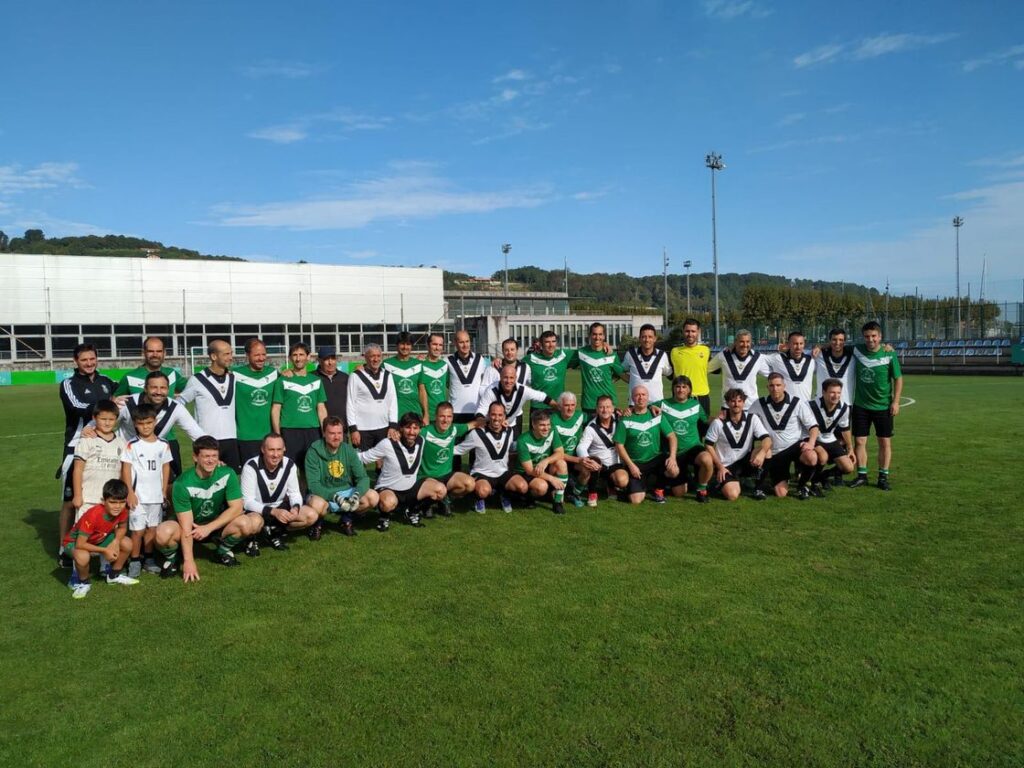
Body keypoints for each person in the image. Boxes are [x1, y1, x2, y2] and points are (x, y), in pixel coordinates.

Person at [154, 436, 261, 581]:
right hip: (190, 528)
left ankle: (221, 552)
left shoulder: (227, 473)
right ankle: (173, 559)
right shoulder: (182, 483)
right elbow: (186, 526)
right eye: (206, 456)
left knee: (247, 523)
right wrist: (189, 561)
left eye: (214, 456)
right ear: (195, 457)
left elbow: (237, 508)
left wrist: (208, 528)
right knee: (163, 533)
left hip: (215, 526)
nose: (211, 460)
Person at [57, 343, 115, 562]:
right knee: (70, 500)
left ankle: (100, 545)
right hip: (76, 444)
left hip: (104, 445)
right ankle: (64, 548)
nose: (89, 363)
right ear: (76, 361)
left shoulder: (107, 381)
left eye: (92, 358)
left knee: (101, 496)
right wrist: (107, 405)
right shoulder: (68, 384)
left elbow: (124, 395)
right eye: (84, 360)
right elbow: (76, 406)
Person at [102, 370, 204, 477]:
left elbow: (197, 434)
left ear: (168, 389)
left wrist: (212, 452)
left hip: (152, 458)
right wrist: (91, 428)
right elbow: (102, 422)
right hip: (124, 458)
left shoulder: (176, 408)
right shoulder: (126, 403)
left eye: (163, 388)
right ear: (145, 389)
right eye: (154, 387)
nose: (158, 392)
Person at [358, 412, 448, 530]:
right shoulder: (388, 443)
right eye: (408, 427)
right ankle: (384, 516)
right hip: (389, 488)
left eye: (415, 428)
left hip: (411, 489)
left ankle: (412, 510)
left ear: (420, 429)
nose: (412, 432)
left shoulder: (421, 441)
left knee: (441, 490)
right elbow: (364, 457)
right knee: (388, 503)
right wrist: (342, 452)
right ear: (401, 428)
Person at [120, 404, 173, 578]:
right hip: (138, 497)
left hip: (156, 496)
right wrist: (130, 492)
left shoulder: (163, 444)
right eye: (141, 423)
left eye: (149, 422)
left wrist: (163, 490)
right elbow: (126, 469)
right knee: (137, 531)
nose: (146, 427)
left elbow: (165, 467)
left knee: (152, 529)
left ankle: (149, 560)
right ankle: (135, 560)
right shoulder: (132, 445)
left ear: (155, 422)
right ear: (135, 424)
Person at [241, 432, 320, 550]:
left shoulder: (290, 465)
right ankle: (253, 537)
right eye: (271, 450)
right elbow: (247, 502)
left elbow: (294, 493)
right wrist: (274, 512)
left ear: (284, 449)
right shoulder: (251, 466)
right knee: (255, 523)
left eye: (279, 449)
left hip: (280, 508)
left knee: (311, 515)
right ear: (263, 449)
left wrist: (295, 507)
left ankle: (275, 532)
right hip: (257, 511)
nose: (275, 454)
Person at [848, 321, 903, 491]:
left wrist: (896, 402)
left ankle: (883, 477)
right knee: (859, 441)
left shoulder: (889, 353)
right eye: (867, 336)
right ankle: (862, 476)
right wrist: (820, 347)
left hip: (883, 406)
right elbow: (836, 345)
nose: (870, 339)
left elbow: (898, 379)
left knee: (884, 442)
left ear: (880, 336)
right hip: (861, 405)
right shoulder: (856, 350)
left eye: (874, 336)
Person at [61, 479, 138, 599]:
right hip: (74, 542)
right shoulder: (93, 515)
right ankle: (84, 582)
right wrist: (105, 551)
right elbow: (80, 544)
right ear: (103, 501)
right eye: (112, 502)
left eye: (122, 502)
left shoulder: (123, 510)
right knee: (82, 556)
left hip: (99, 539)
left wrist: (115, 542)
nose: (118, 506)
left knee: (127, 543)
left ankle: (113, 575)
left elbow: (122, 528)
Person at [750, 373, 820, 499]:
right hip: (774, 452)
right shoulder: (759, 404)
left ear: (784, 386)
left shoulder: (797, 403)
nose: (775, 388)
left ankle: (802, 486)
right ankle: (766, 482)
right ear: (767, 387)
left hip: (794, 447)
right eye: (772, 385)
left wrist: (811, 443)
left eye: (778, 385)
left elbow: (814, 426)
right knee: (781, 493)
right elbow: (747, 423)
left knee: (811, 457)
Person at [305, 417, 376, 537]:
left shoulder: (348, 450)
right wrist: (335, 497)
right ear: (324, 433)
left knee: (372, 497)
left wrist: (356, 495)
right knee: (317, 505)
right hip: (324, 493)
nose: (336, 437)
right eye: (332, 433)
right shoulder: (313, 452)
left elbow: (363, 478)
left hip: (345, 491)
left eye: (339, 433)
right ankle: (318, 524)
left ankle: (346, 519)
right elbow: (313, 485)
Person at [177, 339, 241, 471]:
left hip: (231, 440)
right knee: (205, 479)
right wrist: (193, 428)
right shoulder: (197, 380)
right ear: (213, 356)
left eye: (231, 353)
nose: (231, 357)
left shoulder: (234, 378)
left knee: (231, 478)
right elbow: (179, 404)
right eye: (226, 354)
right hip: (206, 441)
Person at [454, 402, 529, 513]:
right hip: (482, 473)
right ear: (488, 415)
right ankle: (478, 498)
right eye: (493, 414)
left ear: (504, 416)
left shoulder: (510, 431)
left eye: (500, 415)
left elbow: (512, 452)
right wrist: (439, 448)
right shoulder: (477, 433)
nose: (496, 418)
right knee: (483, 491)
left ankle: (503, 493)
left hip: (502, 473)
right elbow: (459, 450)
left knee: (523, 487)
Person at [703, 389, 772, 501]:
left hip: (746, 461)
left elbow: (767, 439)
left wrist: (762, 453)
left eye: (739, 401)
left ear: (744, 402)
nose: (736, 404)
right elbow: (708, 445)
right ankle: (717, 482)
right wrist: (720, 467)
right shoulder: (718, 422)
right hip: (727, 465)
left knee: (767, 451)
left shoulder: (752, 418)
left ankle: (758, 489)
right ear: (727, 403)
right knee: (732, 495)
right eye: (733, 401)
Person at [614, 386, 679, 504]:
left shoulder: (656, 415)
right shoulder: (625, 418)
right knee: (636, 500)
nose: (640, 398)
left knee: (674, 470)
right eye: (637, 395)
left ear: (648, 397)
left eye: (643, 395)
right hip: (636, 463)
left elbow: (672, 436)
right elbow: (619, 445)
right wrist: (631, 465)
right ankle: (631, 488)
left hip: (655, 458)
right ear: (632, 398)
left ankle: (658, 490)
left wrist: (673, 457)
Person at [271, 342, 327, 470]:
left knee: (312, 468)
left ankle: (309, 485)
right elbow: (276, 409)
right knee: (289, 469)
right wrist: (277, 435)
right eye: (294, 355)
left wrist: (324, 432)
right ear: (290, 358)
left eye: (301, 354)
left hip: (313, 431)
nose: (298, 358)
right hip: (289, 431)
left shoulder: (316, 381)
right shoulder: (282, 380)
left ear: (308, 357)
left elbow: (321, 408)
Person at [659, 376, 713, 502]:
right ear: (673, 389)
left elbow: (706, 420)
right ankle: (687, 476)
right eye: (677, 387)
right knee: (679, 493)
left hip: (692, 447)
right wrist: (630, 411)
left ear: (689, 390)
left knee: (707, 459)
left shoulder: (695, 405)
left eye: (684, 387)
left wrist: (720, 418)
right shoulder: (663, 404)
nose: (681, 390)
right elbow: (643, 409)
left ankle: (701, 490)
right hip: (673, 452)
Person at [71, 400, 126, 522]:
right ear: (94, 418)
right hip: (88, 499)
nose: (107, 423)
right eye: (103, 419)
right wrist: (78, 495)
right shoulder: (86, 440)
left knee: (106, 532)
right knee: (84, 531)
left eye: (111, 419)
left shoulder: (121, 443)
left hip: (111, 500)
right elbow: (78, 469)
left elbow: (122, 471)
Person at [418, 402, 475, 516]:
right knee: (438, 491)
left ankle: (445, 499)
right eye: (442, 416)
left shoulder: (454, 429)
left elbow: (473, 424)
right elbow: (409, 434)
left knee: (470, 484)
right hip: (427, 476)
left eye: (449, 416)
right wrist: (396, 433)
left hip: (446, 475)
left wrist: (491, 420)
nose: (445, 420)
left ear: (452, 417)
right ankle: (427, 503)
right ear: (436, 417)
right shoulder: (425, 432)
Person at [575, 395, 629, 506]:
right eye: (601, 407)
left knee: (623, 481)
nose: (605, 410)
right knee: (594, 462)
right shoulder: (591, 427)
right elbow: (581, 447)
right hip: (599, 465)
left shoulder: (619, 420)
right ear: (597, 409)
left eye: (608, 407)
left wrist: (630, 410)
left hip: (615, 463)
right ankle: (592, 493)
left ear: (613, 408)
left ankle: (610, 485)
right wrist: (588, 460)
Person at [234, 338, 280, 466]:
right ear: (247, 355)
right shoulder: (235, 375)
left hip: (269, 436)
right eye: (257, 355)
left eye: (264, 354)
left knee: (271, 473)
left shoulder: (273, 373)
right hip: (245, 436)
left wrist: (289, 372)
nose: (261, 358)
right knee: (248, 473)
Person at [474, 364, 556, 435]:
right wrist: (482, 421)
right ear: (500, 377)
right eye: (505, 377)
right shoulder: (491, 390)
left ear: (515, 378)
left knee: (515, 447)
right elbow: (481, 410)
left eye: (511, 378)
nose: (508, 381)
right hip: (493, 427)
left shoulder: (522, 390)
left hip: (512, 426)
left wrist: (558, 407)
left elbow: (542, 397)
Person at [346, 344, 399, 452]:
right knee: (362, 459)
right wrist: (353, 429)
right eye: (372, 356)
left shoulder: (388, 375)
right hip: (362, 429)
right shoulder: (355, 376)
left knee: (383, 459)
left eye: (378, 356)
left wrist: (393, 425)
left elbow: (393, 402)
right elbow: (350, 404)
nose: (376, 359)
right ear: (365, 357)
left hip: (384, 427)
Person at [516, 409, 569, 514]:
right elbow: (529, 470)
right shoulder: (523, 440)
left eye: (548, 424)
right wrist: (552, 479)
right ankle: (528, 497)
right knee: (541, 487)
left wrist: (546, 461)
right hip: (526, 473)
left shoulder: (552, 431)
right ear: (533, 425)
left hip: (543, 468)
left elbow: (560, 453)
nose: (546, 428)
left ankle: (557, 502)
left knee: (561, 464)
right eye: (542, 425)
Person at [568, 322, 627, 415]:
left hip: (609, 403)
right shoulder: (581, 353)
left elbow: (621, 374)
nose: (597, 337)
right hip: (589, 404)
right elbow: (562, 361)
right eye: (594, 334)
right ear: (589, 335)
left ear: (604, 336)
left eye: (600, 334)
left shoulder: (611, 355)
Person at [809, 378, 855, 493]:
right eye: (832, 392)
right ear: (823, 392)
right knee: (823, 457)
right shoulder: (811, 405)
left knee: (848, 467)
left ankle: (822, 476)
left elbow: (845, 429)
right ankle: (814, 483)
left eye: (838, 392)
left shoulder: (844, 407)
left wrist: (850, 448)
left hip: (830, 438)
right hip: (814, 439)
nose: (836, 396)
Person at [707, 330, 771, 408]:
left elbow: (773, 375)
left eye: (748, 342)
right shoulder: (723, 356)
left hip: (751, 407)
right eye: (741, 341)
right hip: (728, 407)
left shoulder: (758, 358)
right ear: (735, 342)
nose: (745, 345)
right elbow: (705, 369)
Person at [113, 336, 186, 396]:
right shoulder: (130, 377)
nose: (155, 355)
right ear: (143, 353)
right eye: (150, 351)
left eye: (159, 351)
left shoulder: (172, 374)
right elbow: (115, 401)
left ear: (164, 353)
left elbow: (191, 388)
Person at [550, 391, 587, 506]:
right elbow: (558, 452)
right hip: (557, 459)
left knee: (587, 469)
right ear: (560, 406)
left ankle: (574, 493)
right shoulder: (552, 421)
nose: (570, 408)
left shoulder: (580, 416)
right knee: (561, 464)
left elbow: (600, 416)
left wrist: (619, 412)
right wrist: (579, 460)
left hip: (573, 458)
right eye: (566, 405)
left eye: (572, 405)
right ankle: (557, 493)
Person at [669, 319, 712, 418]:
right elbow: (670, 374)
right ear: (683, 331)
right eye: (687, 331)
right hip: (681, 396)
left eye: (693, 331)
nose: (690, 334)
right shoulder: (674, 352)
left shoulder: (706, 351)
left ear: (698, 332)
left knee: (703, 426)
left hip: (702, 397)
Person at [622, 324, 673, 406]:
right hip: (635, 404)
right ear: (639, 338)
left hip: (656, 403)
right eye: (644, 337)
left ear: (655, 338)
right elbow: (620, 371)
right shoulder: (630, 354)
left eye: (650, 337)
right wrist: (631, 380)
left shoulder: (662, 355)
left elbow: (669, 373)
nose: (647, 340)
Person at [447, 329, 489, 425]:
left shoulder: (480, 359)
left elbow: (491, 371)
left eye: (467, 341)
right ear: (455, 343)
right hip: (455, 411)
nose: (465, 345)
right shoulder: (448, 361)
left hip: (476, 411)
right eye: (461, 342)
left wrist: (497, 360)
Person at [383, 331, 424, 423]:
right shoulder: (386, 364)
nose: (405, 347)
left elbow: (422, 391)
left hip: (415, 414)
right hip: (395, 416)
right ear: (397, 345)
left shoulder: (418, 364)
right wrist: (363, 366)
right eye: (402, 344)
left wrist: (426, 414)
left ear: (412, 346)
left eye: (408, 344)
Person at [767, 331, 816, 403]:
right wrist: (777, 347)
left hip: (806, 405)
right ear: (788, 344)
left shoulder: (812, 358)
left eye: (801, 343)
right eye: (795, 344)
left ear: (804, 344)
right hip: (786, 406)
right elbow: (760, 358)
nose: (798, 347)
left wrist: (818, 347)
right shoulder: (777, 358)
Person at [523, 330, 570, 404]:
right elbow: (514, 367)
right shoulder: (530, 359)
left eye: (553, 341)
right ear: (541, 344)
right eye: (547, 342)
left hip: (558, 405)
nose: (551, 345)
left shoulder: (563, 355)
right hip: (538, 406)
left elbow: (583, 353)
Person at [813, 328, 856, 401]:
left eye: (841, 340)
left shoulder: (854, 357)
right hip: (821, 403)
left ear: (844, 341)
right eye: (834, 339)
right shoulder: (818, 355)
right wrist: (819, 347)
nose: (837, 343)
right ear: (829, 341)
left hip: (845, 404)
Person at [417, 333, 449, 425]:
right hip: (426, 416)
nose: (437, 348)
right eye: (434, 344)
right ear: (428, 345)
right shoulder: (419, 364)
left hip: (442, 415)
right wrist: (425, 414)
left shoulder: (445, 365)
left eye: (440, 345)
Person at [313, 345, 349, 427]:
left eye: (333, 358)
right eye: (326, 359)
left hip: (341, 427)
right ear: (319, 361)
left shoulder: (345, 377)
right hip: (319, 427)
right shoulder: (312, 377)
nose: (330, 362)